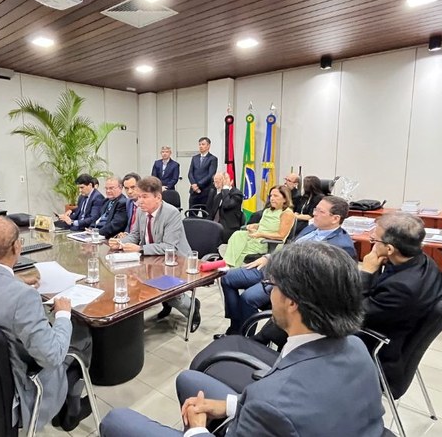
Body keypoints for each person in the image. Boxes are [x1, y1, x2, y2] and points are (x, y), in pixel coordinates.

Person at [99, 243, 386, 437]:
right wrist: (227, 407)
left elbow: (274, 407)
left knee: (116, 421)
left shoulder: (271, 404)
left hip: (275, 418)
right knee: (187, 379)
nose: (269, 294)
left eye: (271, 286)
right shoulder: (356, 347)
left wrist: (198, 429)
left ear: (293, 303)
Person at [0, 216, 94, 431]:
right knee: (81, 336)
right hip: (19, 389)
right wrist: (63, 315)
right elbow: (51, 357)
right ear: (17, 247)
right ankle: (70, 408)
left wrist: (15, 282)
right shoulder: (23, 298)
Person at [219, 196, 357, 335]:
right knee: (227, 277)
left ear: (335, 218)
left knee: (248, 298)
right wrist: (269, 257)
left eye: (320, 211)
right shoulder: (311, 229)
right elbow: (289, 247)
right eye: (315, 209)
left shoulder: (341, 246)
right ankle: (235, 324)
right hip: (273, 267)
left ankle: (243, 335)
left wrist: (281, 279)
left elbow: (320, 280)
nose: (314, 213)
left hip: (288, 281)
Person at [361, 212, 442, 378]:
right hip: (396, 330)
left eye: (375, 239)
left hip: (378, 350)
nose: (372, 240)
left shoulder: (401, 288)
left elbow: (357, 314)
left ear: (390, 249)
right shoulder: (425, 262)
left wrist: (367, 272)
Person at [109, 176, 201, 332]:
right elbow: (135, 235)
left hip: (175, 260)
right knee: (133, 280)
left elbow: (169, 247)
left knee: (168, 292)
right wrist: (121, 243)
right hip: (153, 259)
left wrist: (140, 249)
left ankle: (193, 309)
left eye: (144, 197)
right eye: (139, 197)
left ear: (158, 197)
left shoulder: (171, 213)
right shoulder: (140, 211)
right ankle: (166, 306)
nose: (140, 201)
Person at [222, 185, 295, 266]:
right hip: (256, 236)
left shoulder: (287, 213)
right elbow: (265, 225)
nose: (272, 198)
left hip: (268, 243)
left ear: (285, 199)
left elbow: (281, 235)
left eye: (276, 196)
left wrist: (260, 234)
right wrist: (254, 226)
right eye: (271, 195)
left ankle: (229, 270)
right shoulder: (268, 210)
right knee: (237, 235)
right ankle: (227, 265)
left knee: (239, 251)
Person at [206, 172, 244, 243]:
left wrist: (226, 188)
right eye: (215, 180)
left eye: (219, 180)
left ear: (227, 181)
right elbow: (211, 214)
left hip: (228, 228)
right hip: (215, 225)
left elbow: (227, 205)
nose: (216, 183)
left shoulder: (237, 194)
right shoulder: (218, 195)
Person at [187, 137, 218, 209]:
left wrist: (198, 185)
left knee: (206, 215)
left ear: (208, 146)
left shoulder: (213, 159)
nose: (201, 146)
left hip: (206, 191)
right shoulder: (195, 158)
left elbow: (210, 174)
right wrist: (194, 185)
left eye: (203, 144)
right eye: (199, 144)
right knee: (192, 215)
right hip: (194, 191)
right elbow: (190, 173)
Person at [117, 172, 142, 237]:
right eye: (126, 188)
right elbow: (129, 225)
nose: (129, 191)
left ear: (140, 186)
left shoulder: (146, 204)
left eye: (133, 187)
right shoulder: (128, 202)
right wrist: (125, 234)